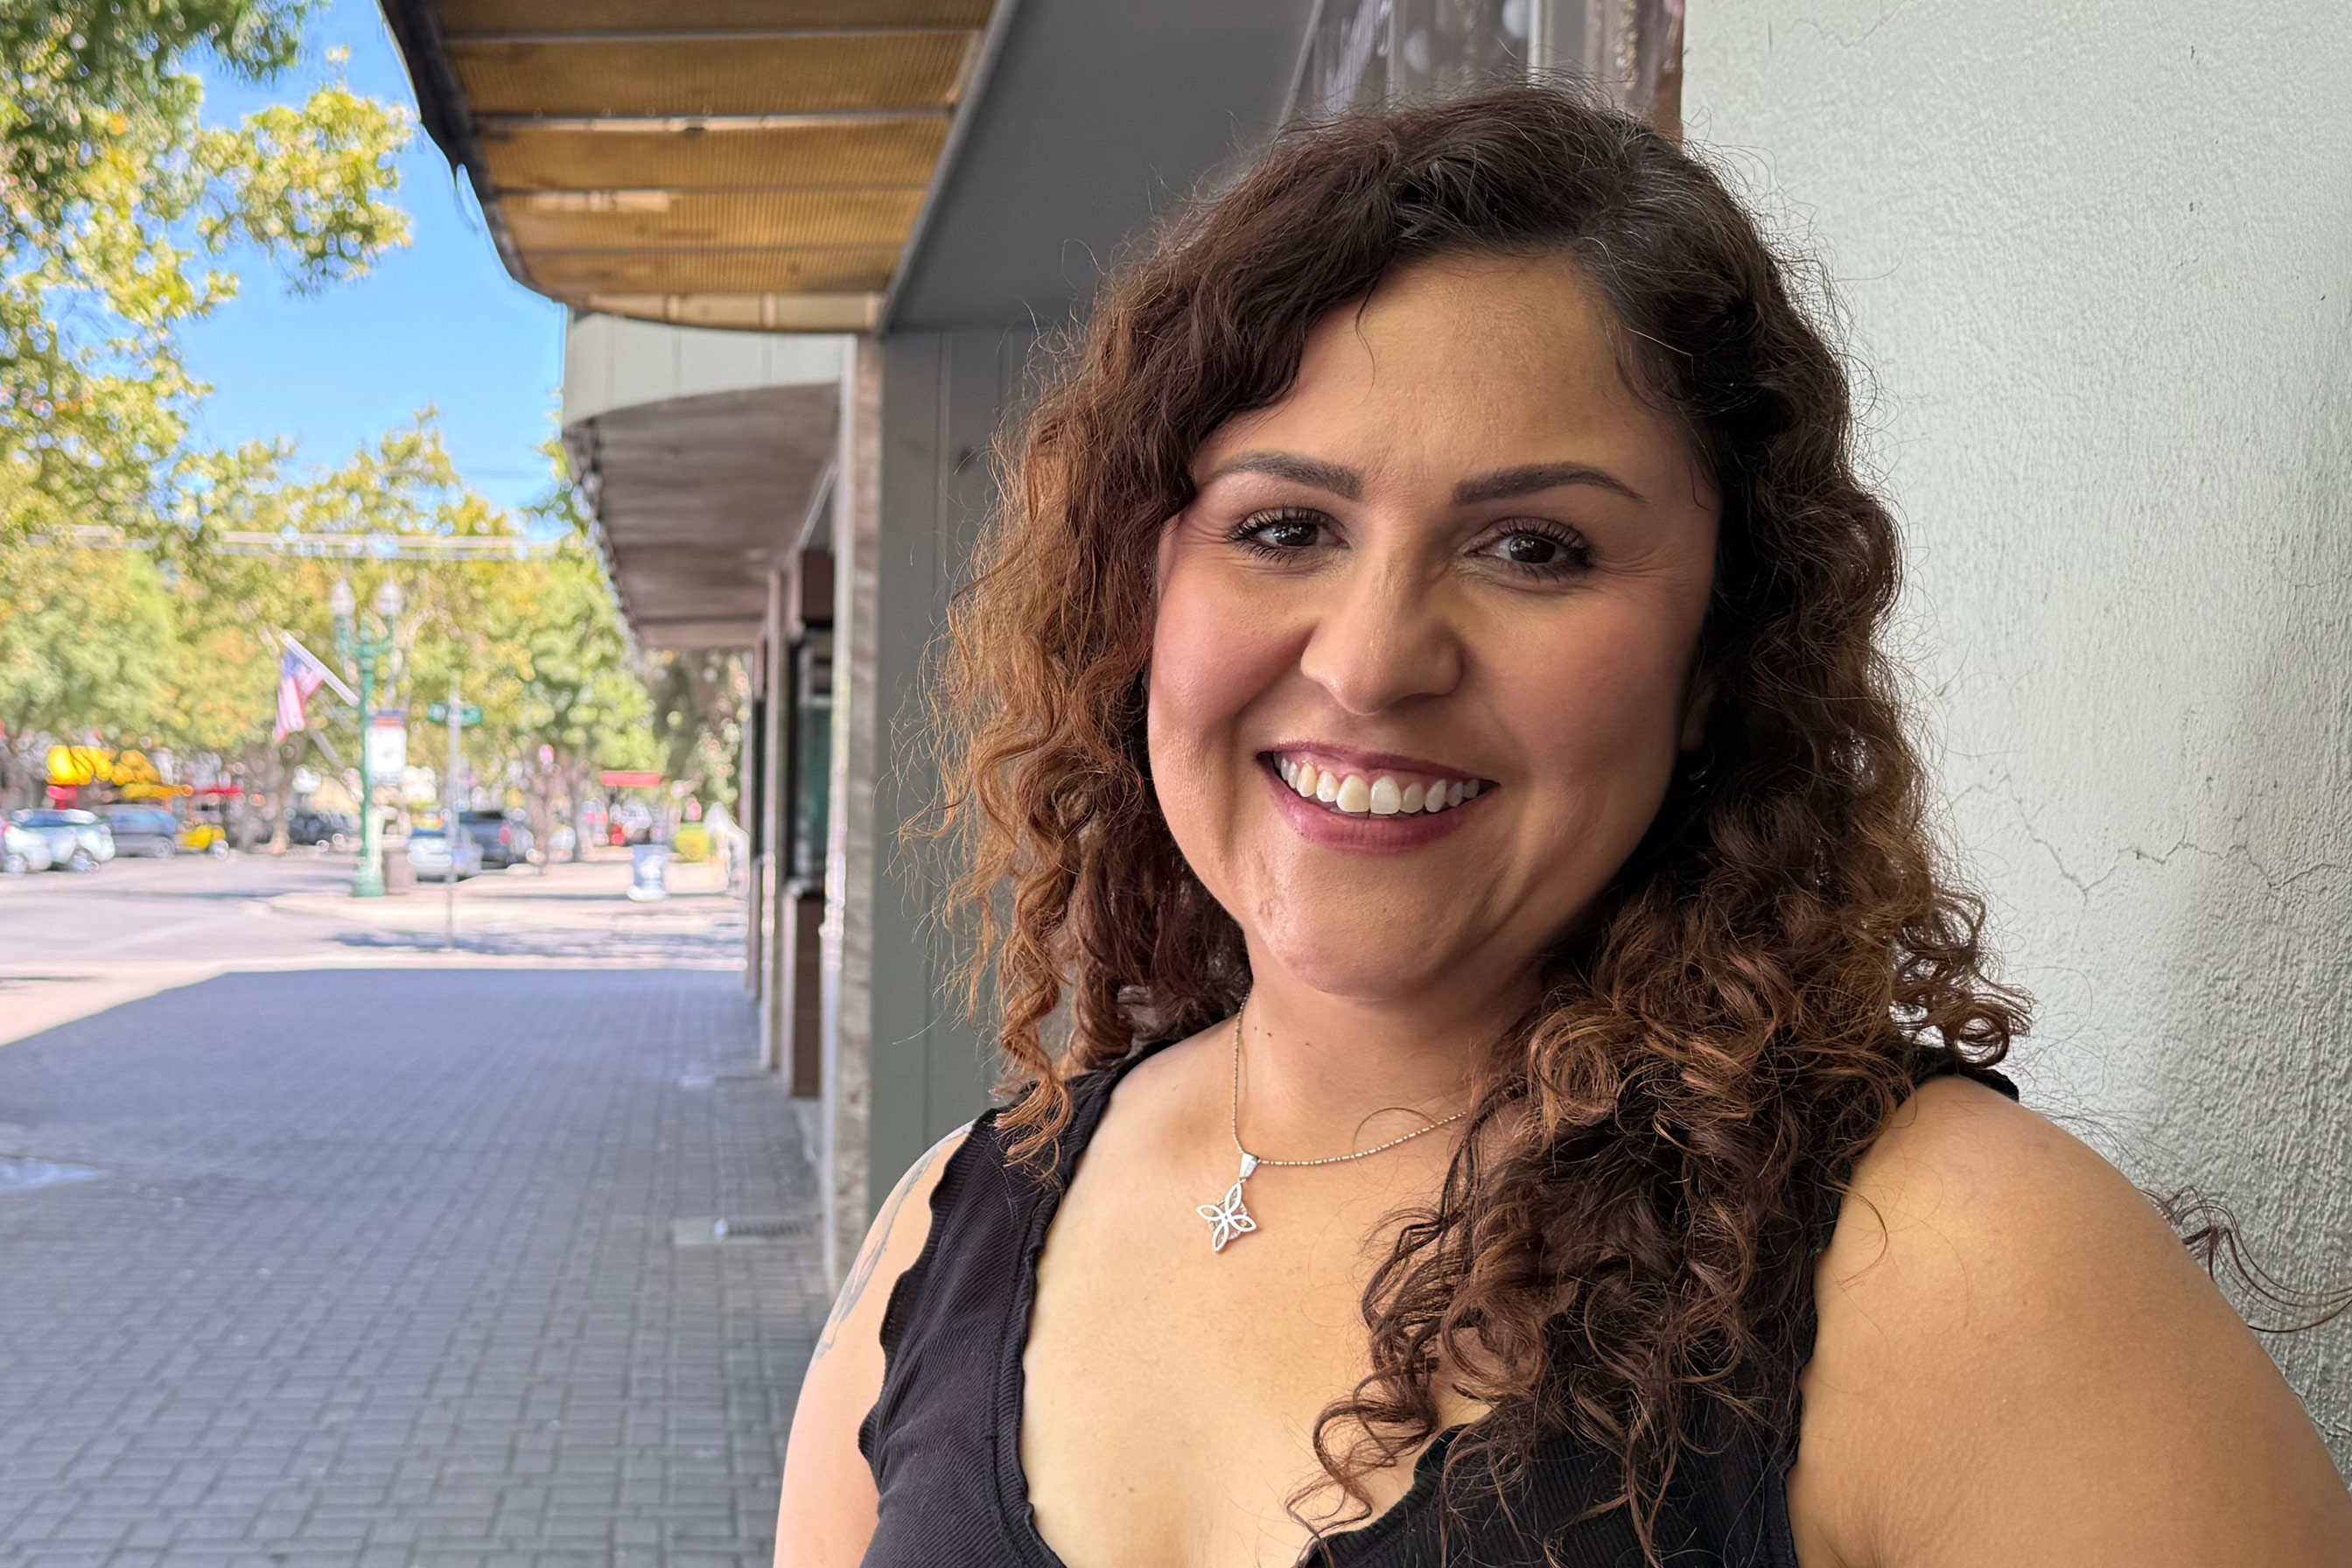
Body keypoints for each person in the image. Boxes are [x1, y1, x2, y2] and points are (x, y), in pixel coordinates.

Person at [775, 85, 2352, 1567]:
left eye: (1535, 547)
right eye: (1286, 527)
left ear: (1718, 660)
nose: (1371, 662)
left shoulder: (1953, 1268)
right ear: (1140, 597)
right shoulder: (951, 1226)